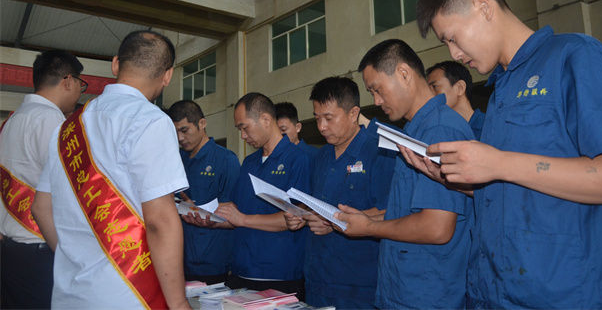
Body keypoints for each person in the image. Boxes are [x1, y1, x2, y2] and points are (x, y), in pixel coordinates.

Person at [410, 0, 602, 308]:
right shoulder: (501, 90)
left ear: (483, 7)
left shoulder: (575, 57)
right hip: (500, 296)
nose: (454, 54)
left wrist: (499, 163)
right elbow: (523, 188)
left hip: (573, 298)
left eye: (452, 38)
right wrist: (458, 179)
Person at [33, 31, 191, 309]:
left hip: (69, 295)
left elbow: (40, 208)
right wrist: (178, 304)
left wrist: (78, 259)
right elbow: (160, 221)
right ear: (168, 76)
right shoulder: (151, 120)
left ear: (116, 64)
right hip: (127, 295)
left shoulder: (66, 128)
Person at [336, 39, 475, 309]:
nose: (377, 101)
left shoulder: (440, 130)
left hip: (427, 295)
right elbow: (408, 211)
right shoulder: (414, 132)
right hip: (405, 291)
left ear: (403, 73)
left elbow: (437, 227)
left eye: (377, 89)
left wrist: (370, 228)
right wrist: (365, 218)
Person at [186, 93, 311, 297]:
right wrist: (209, 220)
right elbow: (236, 213)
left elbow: (295, 217)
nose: (243, 135)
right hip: (242, 270)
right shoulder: (249, 163)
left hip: (278, 275)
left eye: (245, 128)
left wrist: (243, 219)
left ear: (265, 119)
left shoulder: (298, 159)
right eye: (239, 130)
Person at [284, 77, 394, 309]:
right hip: (317, 279)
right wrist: (300, 216)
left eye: (329, 118)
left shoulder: (379, 151)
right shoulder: (321, 156)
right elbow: (315, 203)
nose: (322, 126)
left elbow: (389, 212)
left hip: (359, 285)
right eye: (317, 118)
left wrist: (334, 221)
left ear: (353, 113)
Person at [0, 49, 84, 309]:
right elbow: (68, 191)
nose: (80, 92)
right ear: (68, 81)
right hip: (42, 251)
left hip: (10, 251)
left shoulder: (12, 120)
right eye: (80, 84)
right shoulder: (53, 122)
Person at [167, 100, 240, 285]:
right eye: (175, 132)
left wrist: (205, 217)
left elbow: (234, 215)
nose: (180, 138)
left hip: (214, 263)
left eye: (184, 130)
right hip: (178, 261)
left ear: (202, 123)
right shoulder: (175, 160)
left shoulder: (226, 160)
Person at [426, 60, 485, 139]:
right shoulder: (440, 131)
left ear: (460, 87)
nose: (429, 95)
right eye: (428, 90)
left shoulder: (489, 127)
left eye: (435, 86)